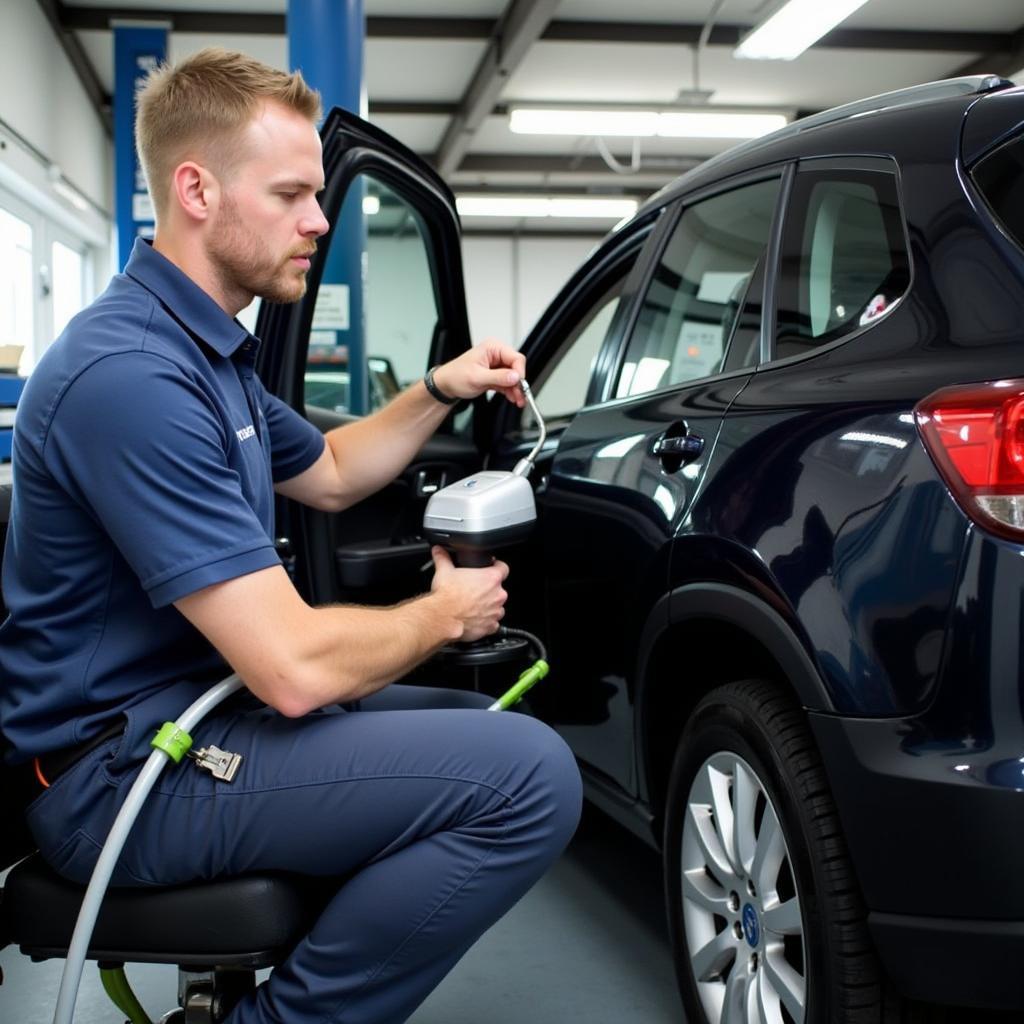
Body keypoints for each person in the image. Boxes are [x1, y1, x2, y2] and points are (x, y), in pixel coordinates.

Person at [0, 48, 581, 1024]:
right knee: (529, 776)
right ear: (196, 189)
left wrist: (440, 385)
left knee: (477, 731)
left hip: (197, 716)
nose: (318, 220)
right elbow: (294, 673)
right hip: (120, 778)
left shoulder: (207, 355)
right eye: (291, 194)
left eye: (318, 192)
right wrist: (440, 613)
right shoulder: (133, 377)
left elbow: (335, 469)